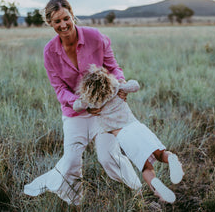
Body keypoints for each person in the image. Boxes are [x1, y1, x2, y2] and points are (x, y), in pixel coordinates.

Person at [23, 0, 141, 205]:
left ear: (72, 15)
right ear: (49, 23)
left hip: (103, 109)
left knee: (108, 157)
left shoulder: (95, 37)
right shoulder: (50, 51)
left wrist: (120, 85)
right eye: (56, 21)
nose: (63, 25)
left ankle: (138, 192)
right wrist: (81, 101)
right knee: (70, 161)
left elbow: (113, 66)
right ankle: (75, 202)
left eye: (66, 18)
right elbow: (59, 89)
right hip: (74, 111)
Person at [73, 64, 184, 203]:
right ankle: (172, 160)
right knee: (160, 154)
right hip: (138, 128)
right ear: (107, 80)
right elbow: (135, 85)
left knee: (146, 168)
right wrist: (120, 84)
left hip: (125, 137)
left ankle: (159, 190)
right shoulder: (118, 89)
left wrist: (86, 102)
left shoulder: (93, 104)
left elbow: (76, 106)